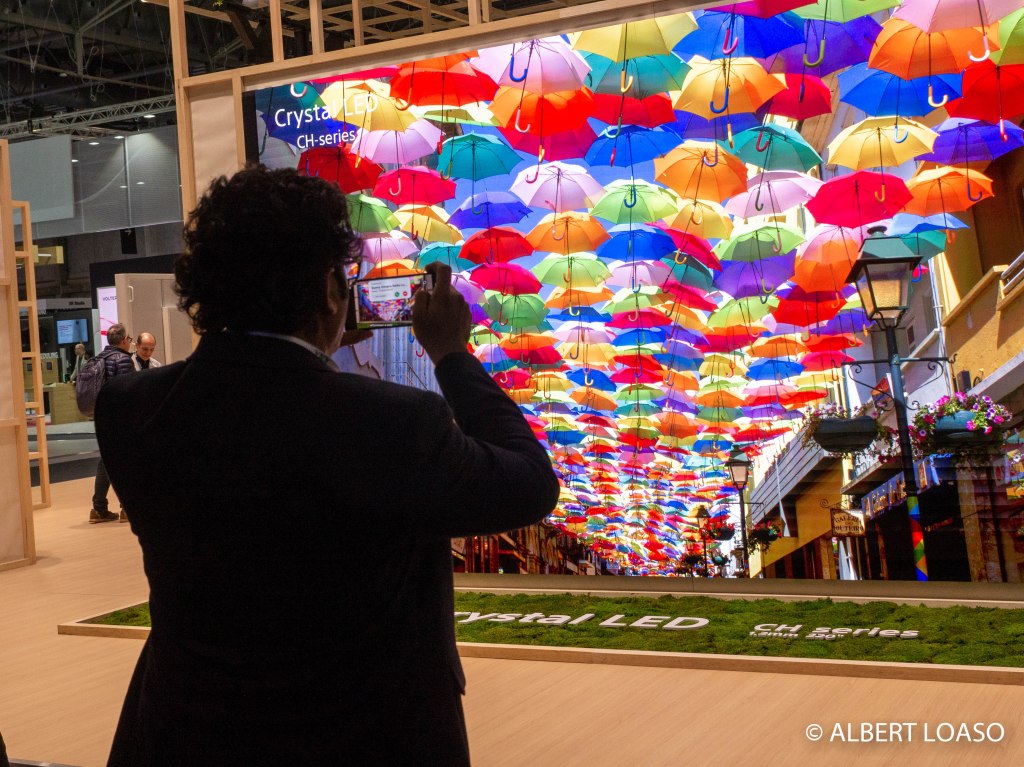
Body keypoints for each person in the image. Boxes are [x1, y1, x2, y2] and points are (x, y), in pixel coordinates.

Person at [95, 166, 560, 765]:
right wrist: (451, 354)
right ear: (328, 287)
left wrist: (322, 343)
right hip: (363, 738)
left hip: (182, 732)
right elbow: (529, 483)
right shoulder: (393, 422)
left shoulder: (130, 408)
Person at [90, 323, 134, 524]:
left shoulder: (98, 358)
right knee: (127, 461)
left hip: (102, 416)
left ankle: (98, 509)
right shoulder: (123, 359)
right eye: (129, 339)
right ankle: (127, 509)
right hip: (120, 418)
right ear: (124, 341)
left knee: (105, 461)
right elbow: (128, 390)